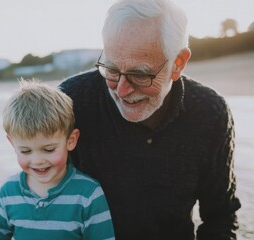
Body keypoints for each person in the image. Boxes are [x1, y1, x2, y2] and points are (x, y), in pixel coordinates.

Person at [59, 0, 241, 239]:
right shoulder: (72, 102)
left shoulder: (210, 114)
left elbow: (220, 218)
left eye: (140, 74)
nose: (122, 91)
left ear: (178, 64)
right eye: (112, 70)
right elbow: (40, 200)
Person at [0, 80, 115, 240]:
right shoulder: (8, 192)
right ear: (12, 143)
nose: (38, 160)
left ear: (71, 140)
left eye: (49, 149)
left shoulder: (89, 194)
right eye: (25, 151)